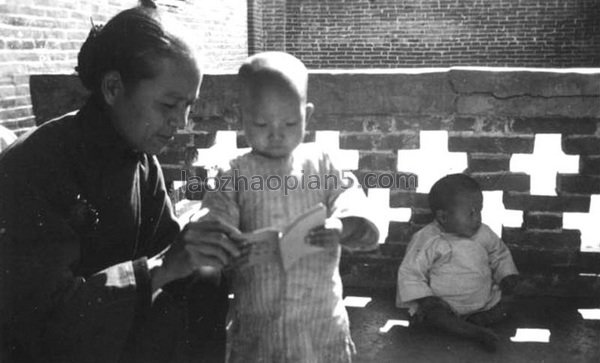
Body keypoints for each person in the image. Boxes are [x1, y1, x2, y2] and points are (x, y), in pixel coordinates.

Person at [0, 2, 243, 362]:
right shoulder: (37, 164)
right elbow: (37, 323)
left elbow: (170, 254)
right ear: (113, 87)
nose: (182, 122)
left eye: (188, 106)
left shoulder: (141, 161)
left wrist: (218, 253)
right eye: (168, 105)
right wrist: (159, 270)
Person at [195, 51, 380, 363]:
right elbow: (215, 222)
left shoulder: (322, 162)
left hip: (320, 321)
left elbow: (352, 200)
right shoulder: (234, 171)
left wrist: (341, 226)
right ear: (242, 117)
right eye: (262, 123)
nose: (276, 133)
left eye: (290, 122)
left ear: (306, 114)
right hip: (260, 322)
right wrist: (227, 246)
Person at [396, 173, 519, 352]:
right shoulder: (428, 239)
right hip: (443, 305)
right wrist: (427, 299)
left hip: (484, 302)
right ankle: (474, 332)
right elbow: (411, 272)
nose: (478, 218)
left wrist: (507, 275)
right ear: (443, 217)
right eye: (471, 213)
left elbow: (499, 255)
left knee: (508, 301)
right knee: (433, 315)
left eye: (479, 210)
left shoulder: (484, 233)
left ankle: (475, 322)